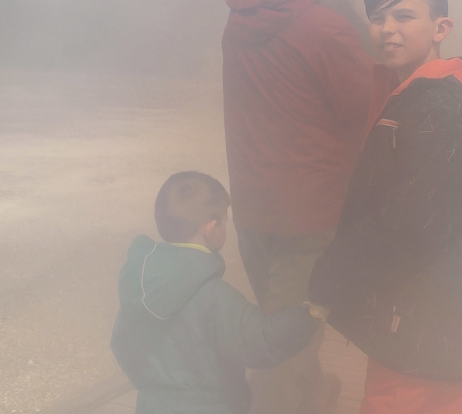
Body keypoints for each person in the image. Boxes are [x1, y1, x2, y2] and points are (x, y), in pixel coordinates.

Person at [307, 0, 462, 414]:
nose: (388, 29)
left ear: (441, 27)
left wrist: (329, 280)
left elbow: (410, 221)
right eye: (378, 18)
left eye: (404, 16)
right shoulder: (431, 93)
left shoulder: (438, 104)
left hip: (428, 318)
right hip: (434, 311)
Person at [221, 0, 374, 414]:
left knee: (277, 322)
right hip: (307, 215)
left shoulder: (237, 23)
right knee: (286, 341)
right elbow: (360, 112)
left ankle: (311, 395)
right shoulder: (326, 27)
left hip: (251, 208)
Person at [110, 172, 323, 414]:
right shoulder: (216, 297)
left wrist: (155, 389)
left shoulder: (140, 288)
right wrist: (306, 316)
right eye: (224, 220)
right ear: (211, 228)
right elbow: (260, 342)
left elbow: (121, 345)